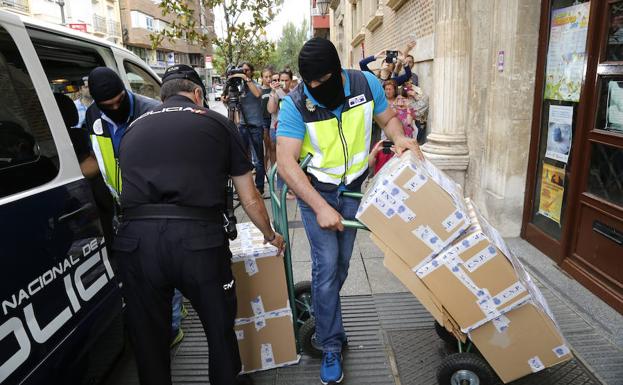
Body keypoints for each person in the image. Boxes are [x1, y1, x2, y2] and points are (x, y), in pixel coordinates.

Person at [114, 64, 285, 385]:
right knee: (218, 326)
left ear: (163, 95)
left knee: (148, 337)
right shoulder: (217, 124)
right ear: (196, 94)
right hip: (197, 240)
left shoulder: (133, 128)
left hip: (136, 241)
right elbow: (249, 198)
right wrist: (269, 233)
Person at [276, 38, 423, 384]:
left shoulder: (365, 84)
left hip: (354, 189)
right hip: (317, 192)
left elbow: (387, 119)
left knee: (340, 266)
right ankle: (330, 343)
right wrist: (319, 206)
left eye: (321, 83)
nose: (316, 91)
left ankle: (322, 306)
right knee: (326, 268)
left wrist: (399, 136)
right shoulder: (296, 104)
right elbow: (285, 162)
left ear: (337, 72)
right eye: (310, 85)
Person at [83, 67, 185, 346]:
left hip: (156, 203)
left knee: (161, 267)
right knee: (146, 271)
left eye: (119, 100)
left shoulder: (153, 111)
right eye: (108, 105)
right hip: (123, 206)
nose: (115, 107)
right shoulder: (93, 116)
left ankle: (172, 327)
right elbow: (97, 159)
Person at [227, 62, 265, 194]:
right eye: (242, 70)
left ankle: (259, 187)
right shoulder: (239, 88)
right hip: (242, 126)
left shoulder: (255, 85)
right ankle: (246, 187)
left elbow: (257, 94)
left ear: (252, 72)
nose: (243, 72)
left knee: (258, 160)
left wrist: (245, 78)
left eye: (246, 70)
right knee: (243, 158)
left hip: (255, 126)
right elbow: (230, 104)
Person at [267, 69, 294, 199]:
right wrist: (273, 92)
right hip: (277, 130)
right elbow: (271, 110)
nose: (283, 83)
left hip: (292, 131)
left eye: (285, 80)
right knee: (281, 160)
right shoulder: (276, 93)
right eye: (281, 80)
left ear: (291, 80)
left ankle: (291, 187)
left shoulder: (294, 93)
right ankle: (282, 188)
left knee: (291, 160)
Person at [260, 67, 273, 171]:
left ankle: (272, 169)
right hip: (263, 120)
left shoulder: (274, 89)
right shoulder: (259, 90)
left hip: (273, 120)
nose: (268, 79)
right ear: (262, 78)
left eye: (270, 76)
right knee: (266, 146)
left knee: (272, 147)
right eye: (266, 77)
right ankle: (264, 170)